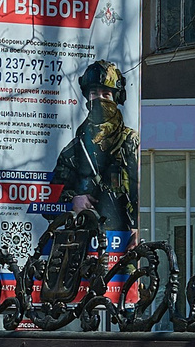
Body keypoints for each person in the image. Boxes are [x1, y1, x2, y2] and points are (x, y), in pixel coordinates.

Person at [51, 59, 140, 254]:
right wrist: (73, 201)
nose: (99, 99)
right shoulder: (75, 149)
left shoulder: (131, 143)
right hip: (82, 247)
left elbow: (146, 193)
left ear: (117, 98)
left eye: (106, 94)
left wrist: (138, 226)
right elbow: (50, 202)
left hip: (123, 246)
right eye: (94, 94)